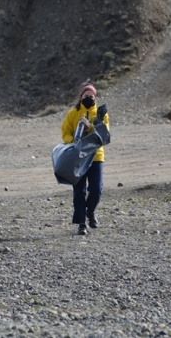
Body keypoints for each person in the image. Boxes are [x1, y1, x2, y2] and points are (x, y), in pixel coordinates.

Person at [61, 83, 110, 235]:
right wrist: (73, 141)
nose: (88, 98)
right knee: (79, 191)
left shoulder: (102, 114)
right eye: (86, 96)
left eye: (91, 96)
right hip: (78, 157)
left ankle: (90, 211)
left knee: (96, 188)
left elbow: (105, 135)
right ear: (80, 97)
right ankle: (82, 223)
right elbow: (65, 132)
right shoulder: (73, 113)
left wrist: (90, 128)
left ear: (95, 98)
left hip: (96, 156)